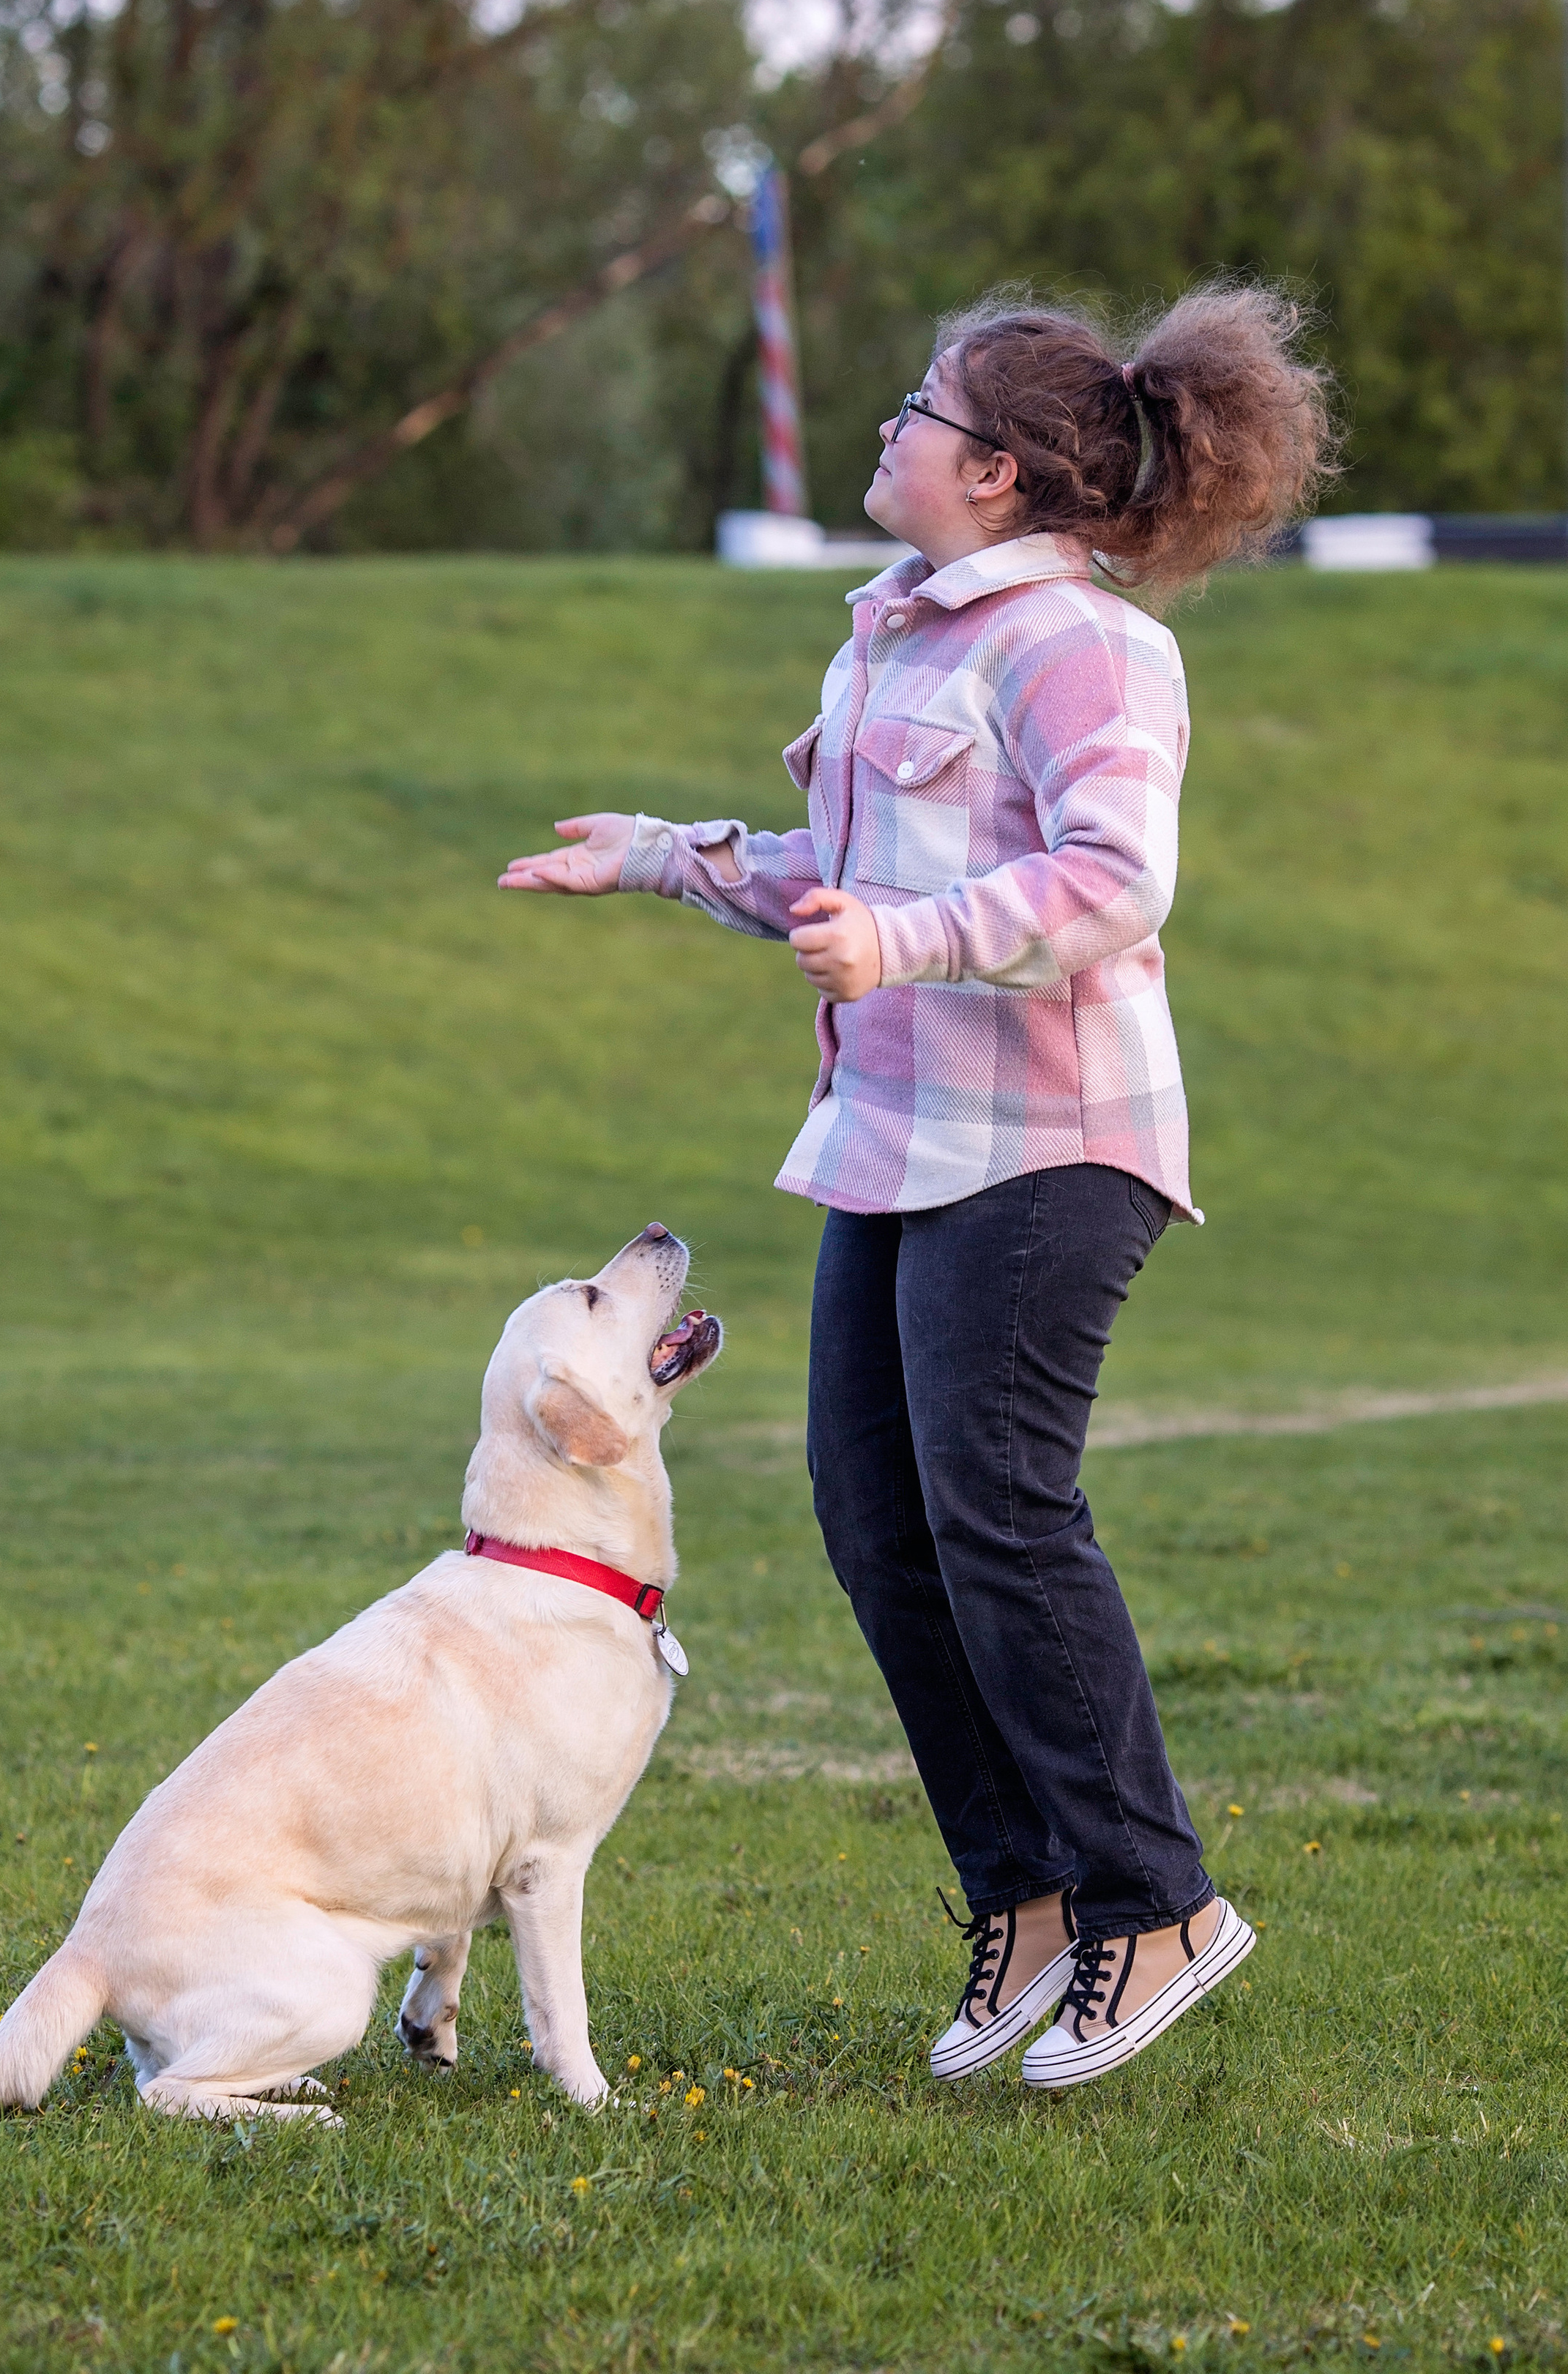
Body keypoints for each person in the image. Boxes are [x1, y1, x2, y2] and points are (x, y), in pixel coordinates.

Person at [499, 285, 1334, 2088]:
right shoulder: (893, 632)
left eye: (915, 408)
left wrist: (903, 935)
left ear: (996, 469)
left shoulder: (1086, 649)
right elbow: (849, 881)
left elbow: (1113, 883)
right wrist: (659, 858)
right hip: (893, 1138)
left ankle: (1156, 1901)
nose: (886, 428)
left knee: (999, 1514)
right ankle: (1026, 1899)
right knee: (875, 1524)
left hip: (1049, 1142)